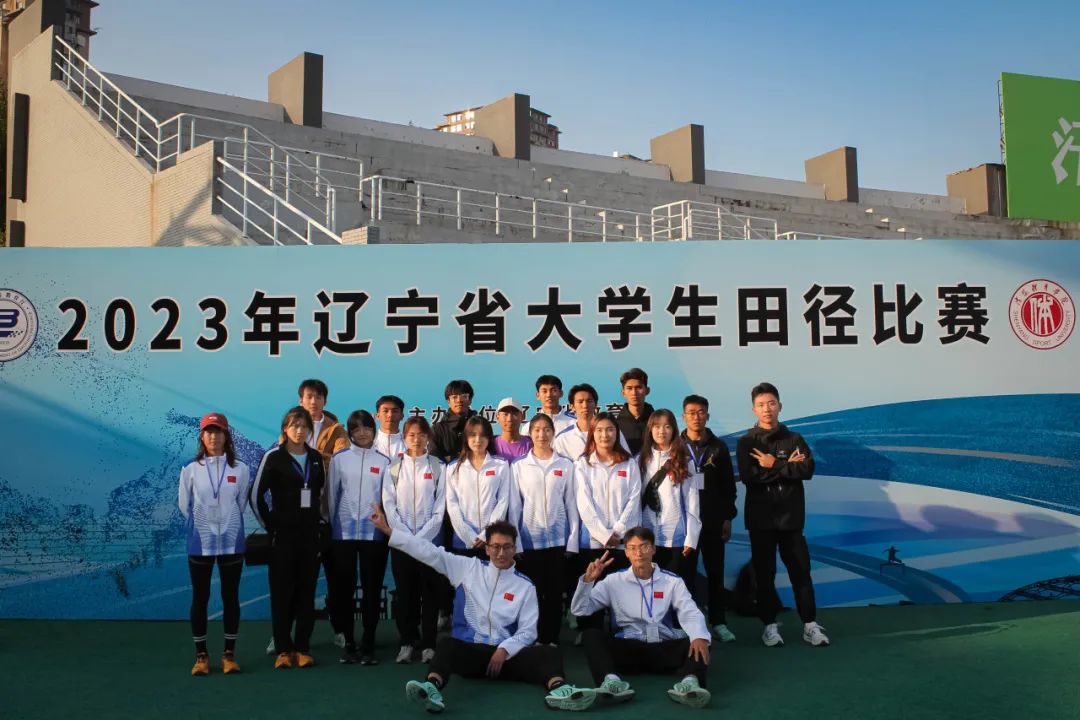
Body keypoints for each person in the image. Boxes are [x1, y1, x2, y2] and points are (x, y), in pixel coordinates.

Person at [369, 509, 597, 713]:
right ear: (487, 549)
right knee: (447, 644)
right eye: (495, 547)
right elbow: (428, 551)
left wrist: (504, 650)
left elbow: (528, 632)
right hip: (472, 656)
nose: (501, 553)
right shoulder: (468, 568)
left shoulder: (525, 586)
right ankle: (431, 688)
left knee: (549, 652)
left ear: (515, 548)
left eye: (507, 547)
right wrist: (389, 531)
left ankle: (559, 690)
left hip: (507, 659)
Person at [571, 527, 712, 709]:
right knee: (591, 635)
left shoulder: (672, 581)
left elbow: (689, 611)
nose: (638, 553)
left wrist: (698, 636)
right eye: (632, 548)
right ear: (626, 552)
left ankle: (690, 683)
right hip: (629, 649)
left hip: (663, 647)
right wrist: (588, 581)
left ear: (653, 549)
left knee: (701, 637)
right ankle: (611, 682)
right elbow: (580, 610)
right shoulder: (613, 581)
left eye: (644, 547)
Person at [736, 382, 830, 647]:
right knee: (764, 575)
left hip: (791, 520)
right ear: (754, 409)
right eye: (761, 405)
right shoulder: (746, 442)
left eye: (771, 403)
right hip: (760, 520)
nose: (767, 409)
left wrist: (773, 464)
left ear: (780, 406)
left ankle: (810, 625)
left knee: (801, 573)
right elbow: (750, 477)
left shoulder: (794, 439)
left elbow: (807, 470)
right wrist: (787, 467)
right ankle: (769, 626)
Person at [253, 406, 327, 669]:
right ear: (285, 429)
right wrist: (271, 527)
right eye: (294, 425)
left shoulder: (316, 458)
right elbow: (256, 496)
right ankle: (283, 649)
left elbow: (319, 494)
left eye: (304, 426)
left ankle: (303, 648)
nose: (299, 430)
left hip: (309, 538)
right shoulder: (274, 457)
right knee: (282, 593)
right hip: (282, 538)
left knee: (307, 593)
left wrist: (318, 526)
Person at [178, 412, 251, 676]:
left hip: (232, 542)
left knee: (230, 597)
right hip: (201, 542)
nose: (213, 437)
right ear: (202, 436)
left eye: (218, 431)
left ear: (226, 436)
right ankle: (201, 656)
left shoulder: (240, 469)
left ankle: (229, 655)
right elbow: (184, 505)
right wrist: (205, 525)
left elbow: (241, 502)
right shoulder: (190, 469)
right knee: (201, 597)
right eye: (208, 432)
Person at [508, 413, 579, 645]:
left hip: (558, 542)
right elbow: (514, 507)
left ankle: (552, 637)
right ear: (530, 434)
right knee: (533, 593)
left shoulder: (565, 465)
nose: (542, 434)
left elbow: (571, 503)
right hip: (530, 541)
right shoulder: (519, 466)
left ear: (553, 433)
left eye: (546, 429)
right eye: (537, 430)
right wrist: (517, 542)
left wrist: (572, 540)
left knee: (555, 593)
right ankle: (535, 636)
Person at [327, 410, 391, 665]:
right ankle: (349, 643)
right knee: (344, 590)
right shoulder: (340, 459)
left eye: (367, 428)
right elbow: (332, 496)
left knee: (372, 589)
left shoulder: (384, 461)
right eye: (356, 429)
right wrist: (335, 525)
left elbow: (387, 499)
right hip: (343, 534)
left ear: (373, 430)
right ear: (350, 433)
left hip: (373, 534)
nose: (362, 433)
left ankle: (368, 643)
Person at [382, 416, 447, 665]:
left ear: (428, 437)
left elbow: (440, 508)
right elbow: (389, 505)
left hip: (429, 543)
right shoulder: (393, 467)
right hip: (402, 543)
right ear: (404, 437)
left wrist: (421, 539)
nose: (416, 439)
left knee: (430, 595)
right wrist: (406, 538)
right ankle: (407, 643)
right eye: (411, 435)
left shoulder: (438, 467)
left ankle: (429, 644)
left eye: (421, 434)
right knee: (405, 595)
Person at [573, 413, 641, 634]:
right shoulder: (583, 464)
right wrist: (603, 534)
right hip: (594, 541)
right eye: (599, 430)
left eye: (610, 429)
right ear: (593, 434)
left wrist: (618, 532)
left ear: (617, 433)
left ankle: (621, 633)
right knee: (593, 588)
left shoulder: (629, 463)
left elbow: (634, 500)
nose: (605, 435)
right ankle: (589, 633)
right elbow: (584, 503)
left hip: (622, 542)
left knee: (621, 591)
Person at [297, 378, 350, 645]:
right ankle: (286, 635)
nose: (313, 401)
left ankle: (340, 630)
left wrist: (310, 457)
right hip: (301, 520)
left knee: (336, 579)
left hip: (331, 517)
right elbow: (285, 461)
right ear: (301, 400)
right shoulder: (291, 428)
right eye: (309, 397)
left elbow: (341, 462)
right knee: (299, 581)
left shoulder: (337, 430)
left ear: (325, 401)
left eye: (318, 397)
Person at [681, 394, 738, 643]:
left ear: (707, 415)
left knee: (716, 572)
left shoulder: (719, 447)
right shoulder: (675, 446)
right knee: (685, 575)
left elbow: (729, 487)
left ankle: (719, 621)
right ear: (684, 416)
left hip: (713, 521)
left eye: (701, 412)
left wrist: (727, 518)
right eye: (691, 412)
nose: (696, 417)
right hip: (685, 524)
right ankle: (689, 623)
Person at [638, 409, 701, 594]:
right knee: (649, 588)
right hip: (647, 534)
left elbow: (693, 501)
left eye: (667, 426)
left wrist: (691, 537)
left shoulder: (686, 461)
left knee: (674, 588)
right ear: (650, 429)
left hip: (676, 535)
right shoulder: (640, 460)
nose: (661, 431)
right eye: (657, 426)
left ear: (674, 430)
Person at [446, 416, 510, 553]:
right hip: (463, 542)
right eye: (473, 435)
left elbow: (503, 501)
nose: (478, 440)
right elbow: (452, 504)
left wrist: (487, 534)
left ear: (489, 437)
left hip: (493, 541)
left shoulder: (501, 465)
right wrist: (468, 536)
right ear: (466, 437)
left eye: (482, 435)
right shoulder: (453, 468)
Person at [554, 383, 629, 460]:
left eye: (589, 401)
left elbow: (626, 459)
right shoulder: (562, 438)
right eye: (580, 402)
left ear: (595, 404)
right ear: (572, 406)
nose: (585, 406)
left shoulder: (612, 431)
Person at [430, 379, 476, 463]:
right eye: (454, 397)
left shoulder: (480, 427)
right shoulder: (437, 430)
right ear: (448, 401)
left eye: (464, 396)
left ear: (470, 400)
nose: (459, 400)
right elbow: (434, 460)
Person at [615, 368, 655, 455]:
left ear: (647, 390)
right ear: (623, 392)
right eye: (629, 388)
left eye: (638, 387)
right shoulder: (615, 424)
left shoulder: (656, 421)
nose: (634, 393)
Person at [375, 394, 406, 460]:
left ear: (402, 416)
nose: (390, 415)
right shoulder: (370, 441)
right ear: (377, 415)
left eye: (395, 411)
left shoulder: (409, 443)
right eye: (385, 411)